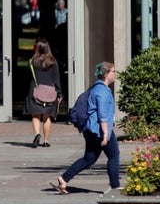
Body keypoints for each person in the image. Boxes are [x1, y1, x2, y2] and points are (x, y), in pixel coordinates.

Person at [50, 62, 120, 195]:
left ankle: (64, 178)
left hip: (90, 130)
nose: (115, 74)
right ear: (106, 74)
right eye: (113, 71)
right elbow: (102, 114)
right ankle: (115, 185)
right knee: (114, 155)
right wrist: (106, 134)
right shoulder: (103, 91)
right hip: (99, 130)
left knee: (89, 158)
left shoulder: (95, 88)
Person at [26, 37, 62, 148]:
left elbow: (29, 76)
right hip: (49, 92)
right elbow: (56, 78)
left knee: (35, 115)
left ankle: (37, 134)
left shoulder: (32, 61)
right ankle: (46, 141)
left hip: (35, 91)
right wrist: (59, 92)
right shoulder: (53, 62)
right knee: (47, 117)